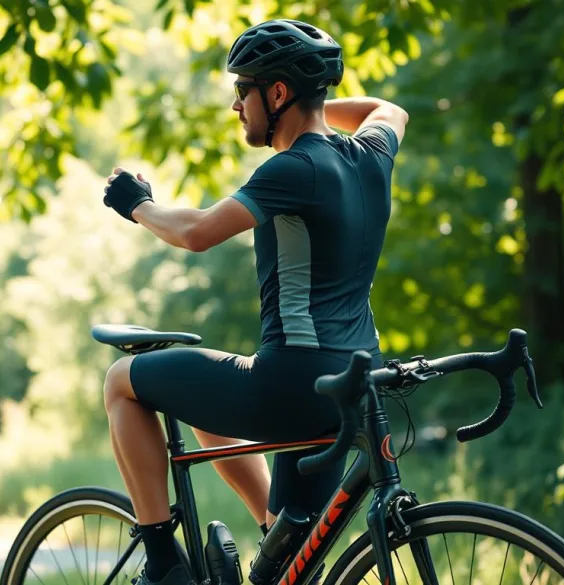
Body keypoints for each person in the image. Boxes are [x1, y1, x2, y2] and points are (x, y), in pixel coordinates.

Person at [100, 18, 408, 585]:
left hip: (288, 384)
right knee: (288, 564)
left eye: (243, 90)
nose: (236, 105)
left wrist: (137, 204)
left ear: (278, 94)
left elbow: (195, 231)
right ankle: (272, 538)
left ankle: (163, 562)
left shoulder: (294, 168)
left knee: (122, 379)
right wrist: (313, 96)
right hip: (353, 382)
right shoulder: (371, 154)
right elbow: (391, 109)